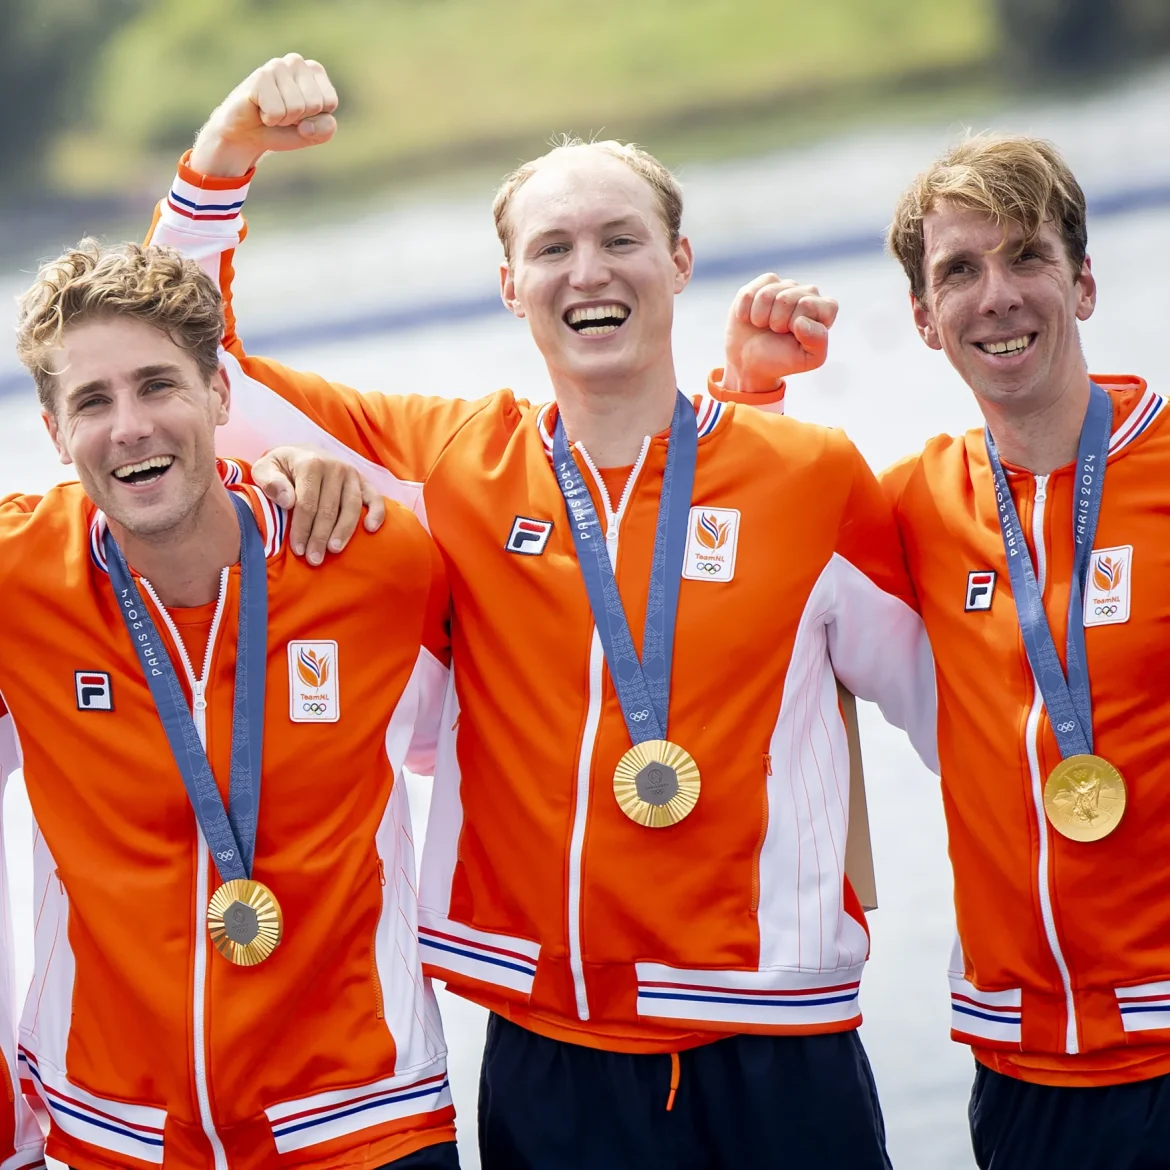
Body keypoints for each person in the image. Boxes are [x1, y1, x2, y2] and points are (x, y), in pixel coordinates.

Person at [149, 55, 939, 1169]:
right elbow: (194, 367)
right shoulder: (452, 465)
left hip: (779, 1050)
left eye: (620, 239)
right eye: (552, 248)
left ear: (678, 262)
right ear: (510, 285)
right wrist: (222, 158)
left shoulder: (812, 476)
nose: (588, 271)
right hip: (547, 1049)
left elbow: (975, 713)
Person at [717, 135, 1170, 1170]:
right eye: (959, 271)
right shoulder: (916, 504)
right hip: (1025, 1070)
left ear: (1084, 283)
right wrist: (750, 395)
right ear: (924, 320)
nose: (996, 297)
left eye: (1027, 259)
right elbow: (739, 567)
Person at [5, 239, 460, 1169]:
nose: (129, 425)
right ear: (54, 433)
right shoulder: (19, 581)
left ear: (219, 396)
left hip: (365, 1119)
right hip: (121, 1134)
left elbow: (588, 610)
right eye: (92, 401)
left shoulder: (374, 560)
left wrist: (745, 400)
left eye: (158, 385)